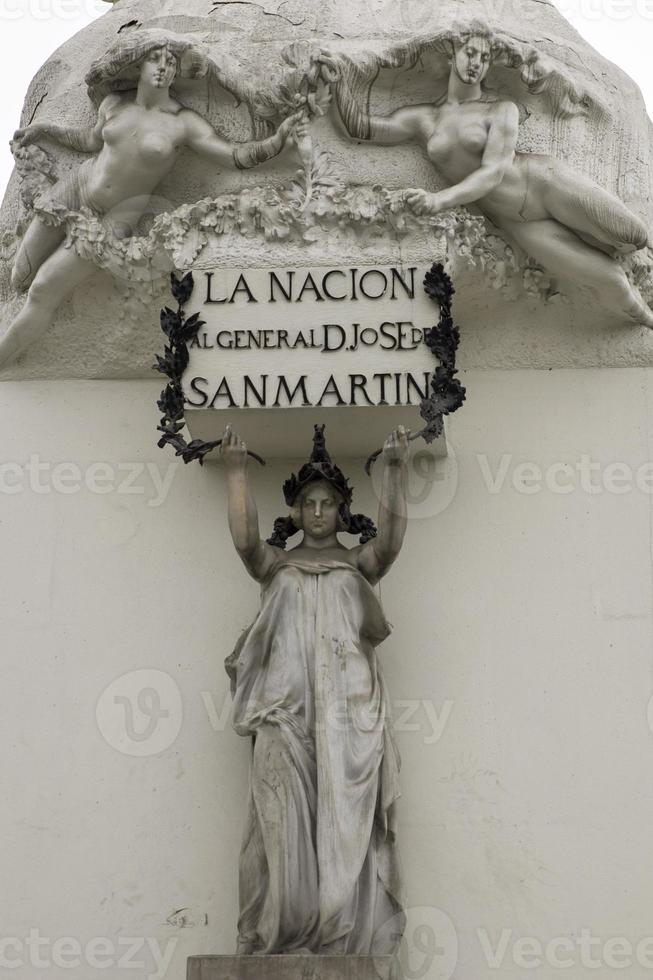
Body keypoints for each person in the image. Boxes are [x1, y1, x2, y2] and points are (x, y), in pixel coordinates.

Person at [1, 29, 304, 365]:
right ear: (138, 66)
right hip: (74, 189)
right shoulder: (113, 103)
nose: (163, 67)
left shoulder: (183, 123)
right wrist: (45, 129)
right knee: (19, 275)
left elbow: (233, 156)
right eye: (154, 59)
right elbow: (89, 141)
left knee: (43, 288)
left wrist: (278, 141)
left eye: (170, 62)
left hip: (113, 218)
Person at [325, 22, 653, 327]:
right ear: (452, 53)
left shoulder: (500, 109)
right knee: (610, 281)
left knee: (633, 235)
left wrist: (439, 200)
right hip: (519, 222)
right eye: (470, 52)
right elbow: (362, 128)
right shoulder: (424, 119)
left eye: (484, 57)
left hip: (543, 183)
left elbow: (493, 171)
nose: (476, 63)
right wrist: (336, 79)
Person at [221, 423, 408, 955]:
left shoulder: (357, 564)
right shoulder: (275, 566)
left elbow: (390, 542)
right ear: (297, 511)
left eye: (329, 502)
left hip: (349, 713)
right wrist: (236, 472)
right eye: (310, 502)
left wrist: (394, 474)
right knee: (276, 821)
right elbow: (244, 541)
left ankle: (338, 933)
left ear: (343, 510)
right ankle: (273, 932)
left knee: (344, 823)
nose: (320, 511)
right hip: (281, 709)